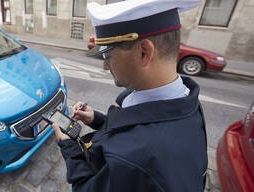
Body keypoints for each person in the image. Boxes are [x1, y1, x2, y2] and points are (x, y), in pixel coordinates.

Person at [51, 0, 208, 191]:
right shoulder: (186, 100)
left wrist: (70, 149)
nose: (105, 66)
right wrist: (99, 120)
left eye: (108, 56)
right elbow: (136, 131)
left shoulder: (138, 158)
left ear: (144, 52)